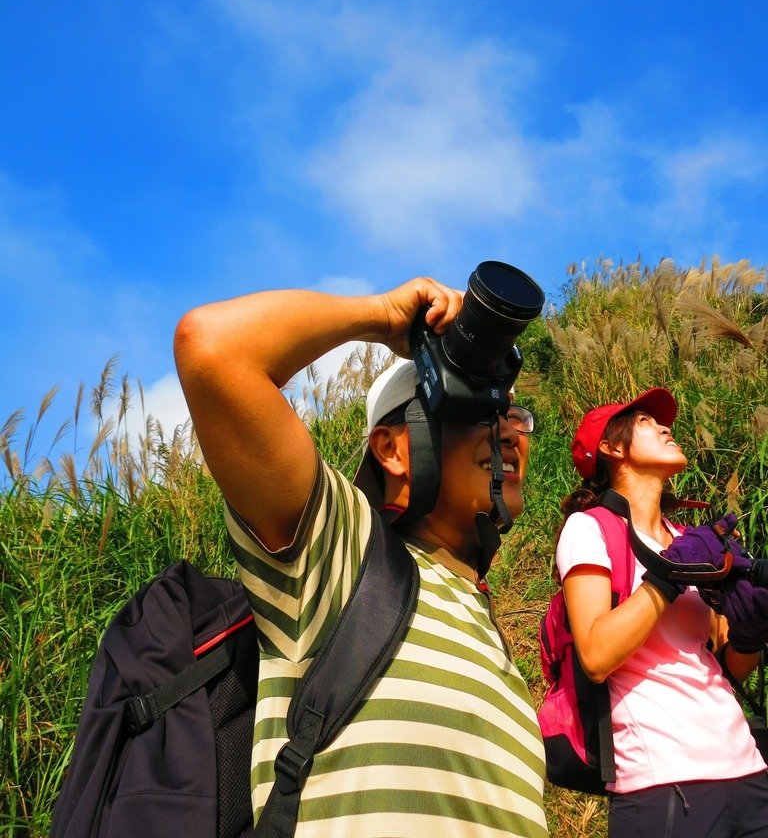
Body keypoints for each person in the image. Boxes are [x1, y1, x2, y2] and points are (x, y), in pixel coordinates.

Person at [174, 276, 547, 838]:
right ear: (393, 447)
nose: (509, 434)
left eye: (517, 418)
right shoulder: (342, 560)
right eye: (477, 409)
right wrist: (381, 316)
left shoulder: (487, 631)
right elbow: (213, 347)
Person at [557, 387, 768, 838]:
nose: (665, 426)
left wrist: (749, 633)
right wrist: (669, 574)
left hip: (748, 768)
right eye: (646, 422)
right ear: (612, 449)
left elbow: (729, 666)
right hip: (664, 783)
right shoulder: (591, 527)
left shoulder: (690, 538)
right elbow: (595, 655)